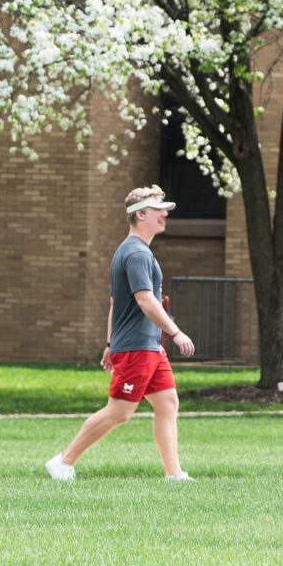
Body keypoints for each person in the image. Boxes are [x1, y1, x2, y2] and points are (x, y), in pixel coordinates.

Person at [48, 186, 196, 482]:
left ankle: (174, 473)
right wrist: (175, 332)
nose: (165, 214)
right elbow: (144, 300)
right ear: (140, 214)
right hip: (139, 346)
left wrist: (109, 343)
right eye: (159, 210)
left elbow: (116, 304)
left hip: (147, 345)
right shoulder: (137, 253)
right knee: (120, 412)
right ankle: (63, 462)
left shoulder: (130, 251)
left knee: (167, 403)